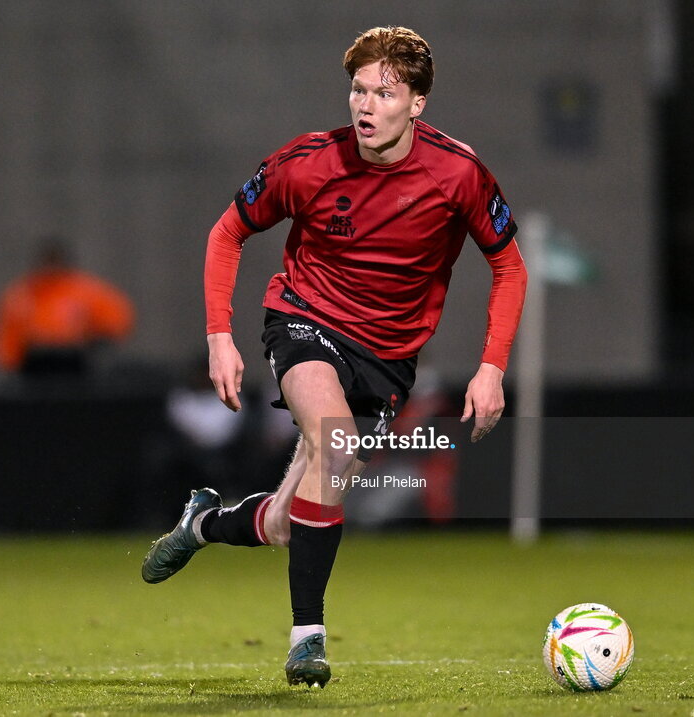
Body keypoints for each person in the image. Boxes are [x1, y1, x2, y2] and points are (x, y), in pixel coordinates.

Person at [141, 26, 527, 688]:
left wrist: (492, 366)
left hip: (387, 361)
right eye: (357, 89)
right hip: (305, 320)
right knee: (334, 436)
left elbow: (509, 266)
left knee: (290, 520)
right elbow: (228, 231)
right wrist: (218, 335)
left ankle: (199, 523)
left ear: (418, 103)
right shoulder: (307, 162)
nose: (366, 105)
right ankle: (306, 638)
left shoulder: (458, 173)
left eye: (385, 91)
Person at [0, 238, 134, 379]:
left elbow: (117, 317)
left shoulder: (85, 290)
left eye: (55, 262)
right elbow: (10, 333)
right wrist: (9, 365)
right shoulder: (22, 293)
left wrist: (97, 340)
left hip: (75, 360)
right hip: (34, 362)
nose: (51, 268)